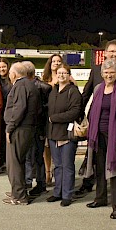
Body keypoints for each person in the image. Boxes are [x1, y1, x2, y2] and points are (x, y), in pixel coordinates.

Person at [76, 39, 116, 203]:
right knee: (97, 157)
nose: (114, 54)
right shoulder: (97, 70)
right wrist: (78, 115)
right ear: (105, 53)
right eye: (111, 51)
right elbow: (86, 93)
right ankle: (92, 187)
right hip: (97, 122)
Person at [84, 59, 116, 219]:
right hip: (97, 136)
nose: (109, 75)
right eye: (106, 72)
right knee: (99, 168)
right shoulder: (98, 88)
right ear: (102, 74)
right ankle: (100, 198)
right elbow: (92, 110)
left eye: (112, 72)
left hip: (115, 136)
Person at [3, 62, 40, 205]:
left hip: (20, 129)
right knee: (20, 161)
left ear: (14, 74)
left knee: (15, 163)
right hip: (27, 128)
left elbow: (19, 108)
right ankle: (19, 191)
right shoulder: (30, 84)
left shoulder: (20, 85)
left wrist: (10, 128)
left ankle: (19, 196)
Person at [45, 64, 82, 206]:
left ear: (69, 75)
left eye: (64, 73)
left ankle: (67, 194)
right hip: (53, 133)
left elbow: (75, 112)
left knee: (67, 165)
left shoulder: (73, 91)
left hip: (67, 134)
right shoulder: (53, 91)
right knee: (58, 165)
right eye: (59, 73)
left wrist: (54, 118)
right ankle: (57, 192)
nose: (61, 75)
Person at [42, 54, 75, 186]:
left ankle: (60, 178)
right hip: (47, 118)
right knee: (47, 147)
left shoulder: (69, 80)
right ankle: (48, 172)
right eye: (53, 61)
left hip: (60, 121)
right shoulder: (45, 79)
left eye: (58, 61)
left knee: (61, 154)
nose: (55, 63)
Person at [23, 61, 52, 195]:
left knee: (37, 157)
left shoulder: (44, 88)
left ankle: (40, 184)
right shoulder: (27, 86)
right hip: (31, 127)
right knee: (29, 156)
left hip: (38, 128)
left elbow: (48, 109)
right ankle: (28, 182)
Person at [0, 58, 12, 173]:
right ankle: (0, 162)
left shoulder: (12, 80)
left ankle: (7, 163)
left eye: (3, 67)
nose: (1, 69)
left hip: (9, 113)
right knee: (0, 140)